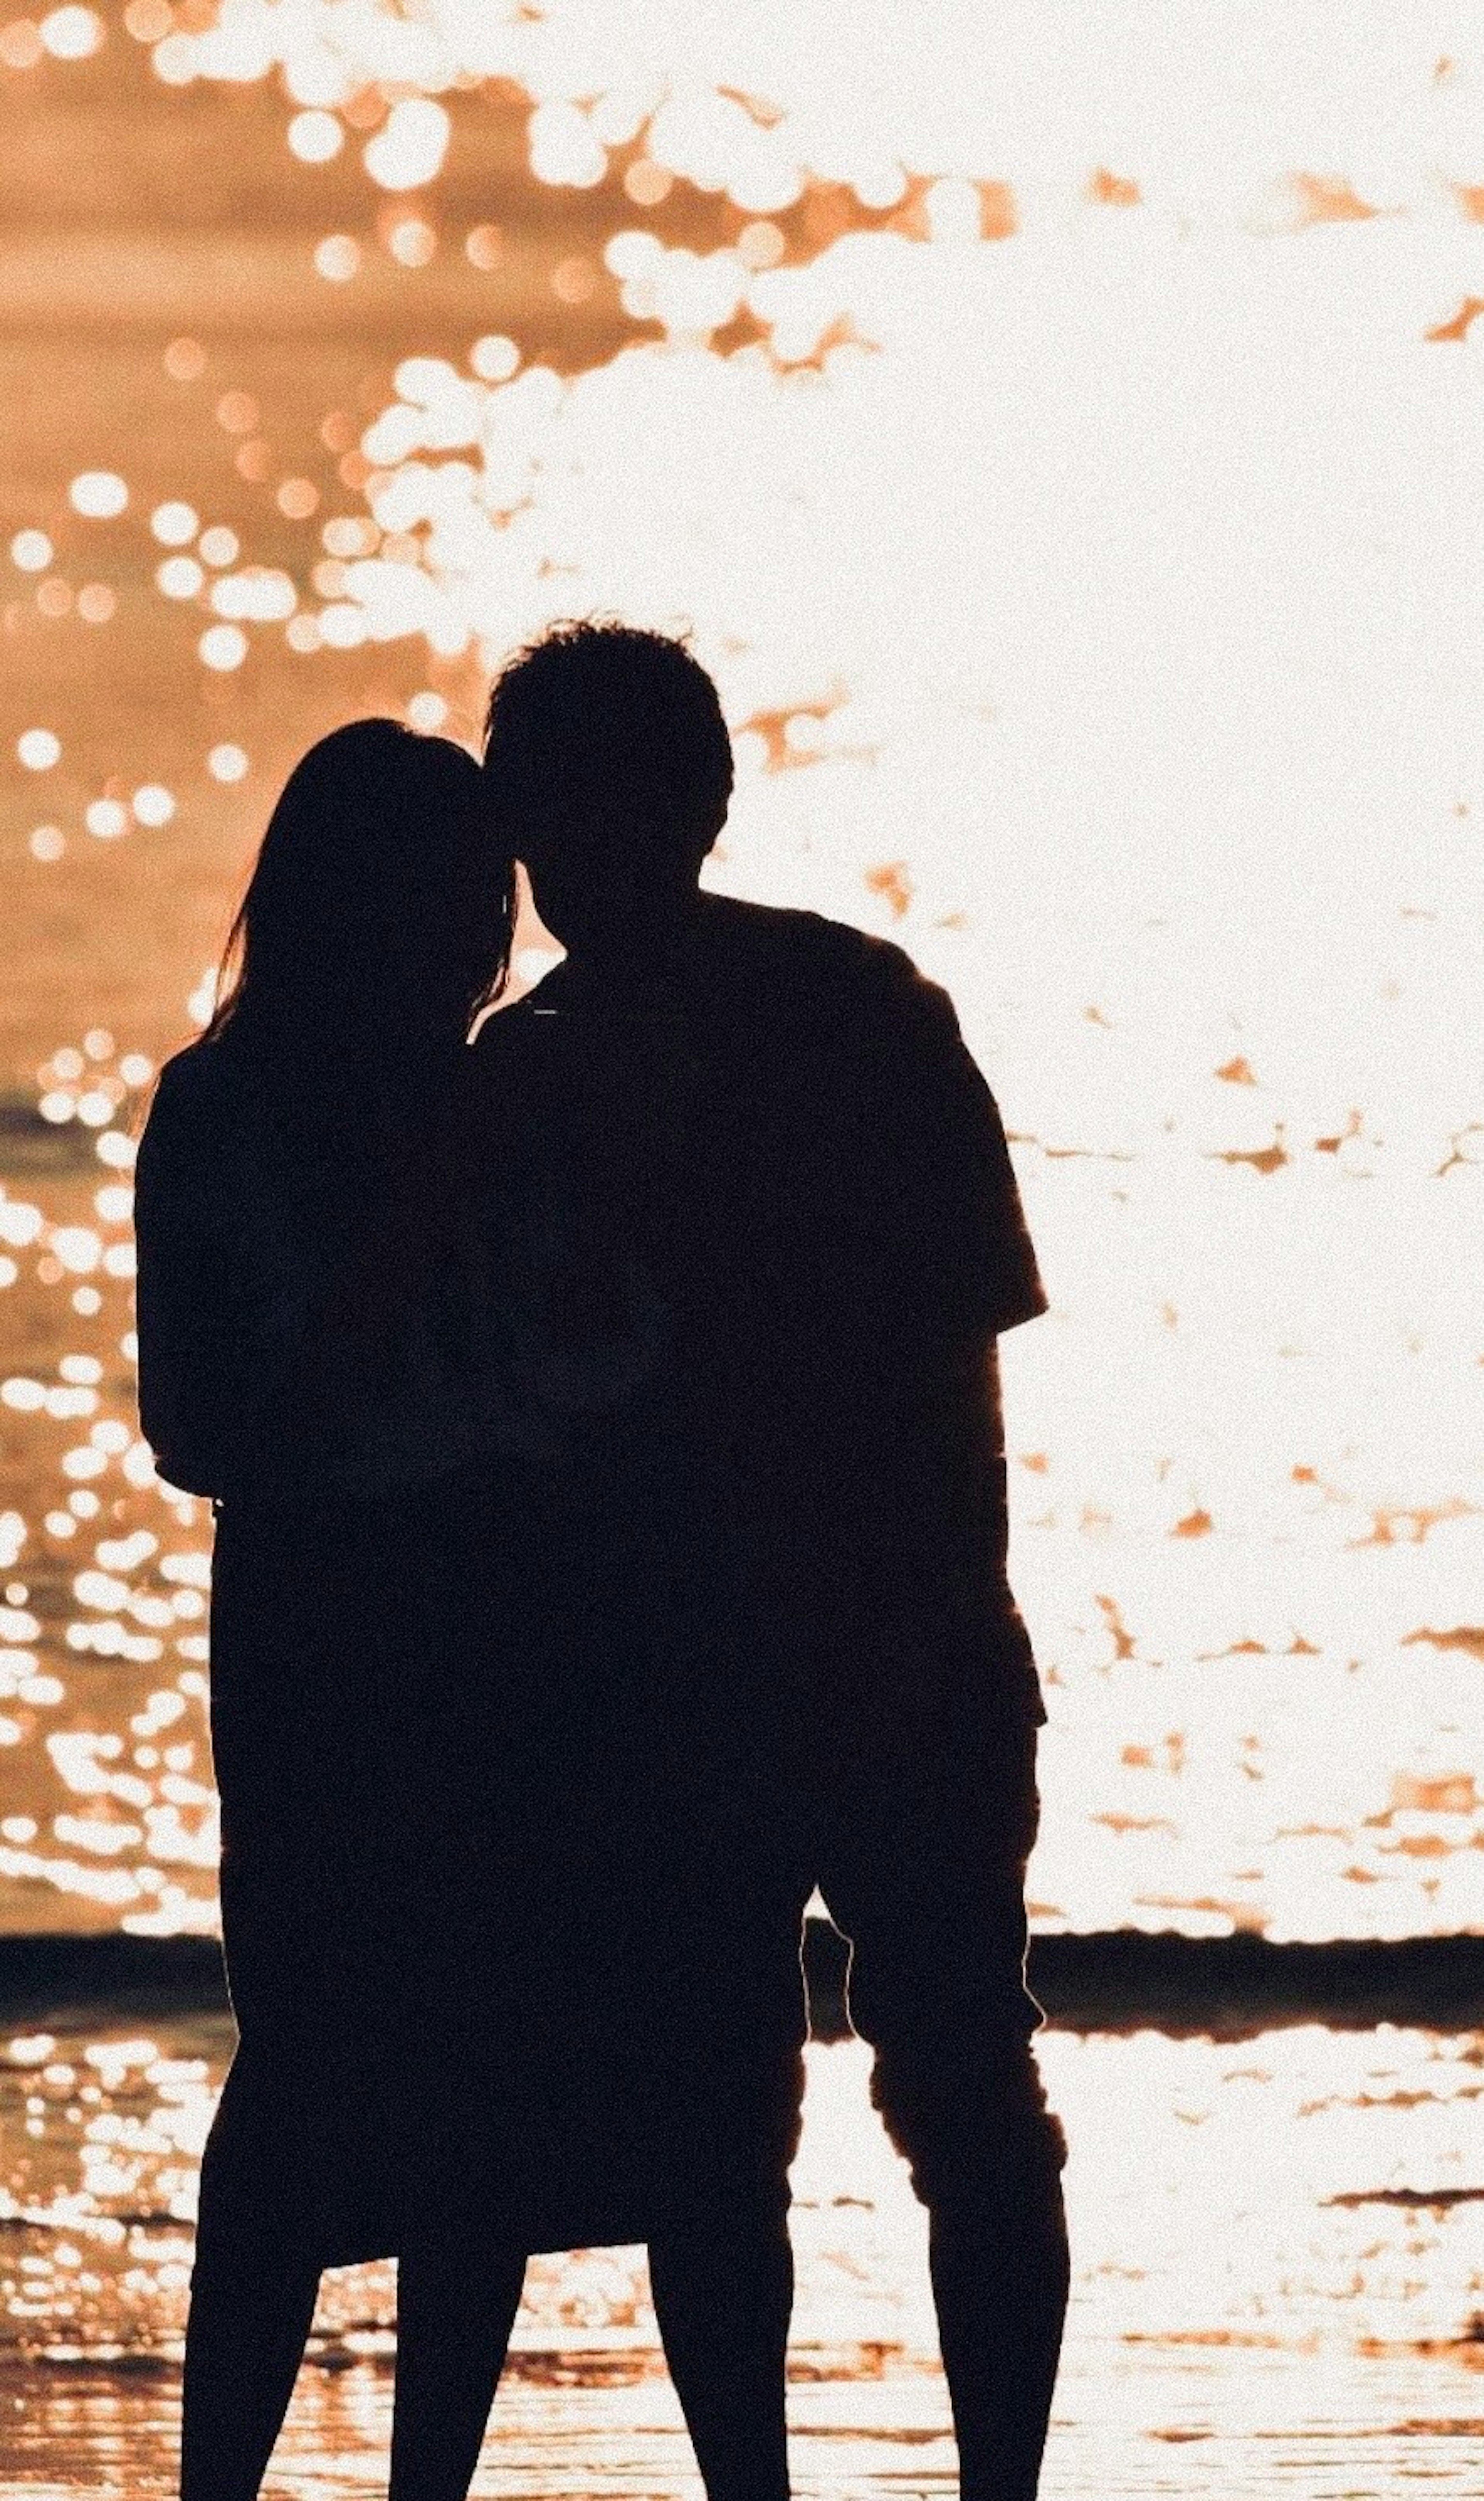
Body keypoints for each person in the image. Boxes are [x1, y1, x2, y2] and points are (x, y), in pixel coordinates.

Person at [135, 716, 809, 2501]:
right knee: (311, 2076)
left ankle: (417, 2478)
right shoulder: (234, 1111)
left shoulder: (497, 1096)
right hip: (340, 1622)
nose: (473, 939)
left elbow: (608, 1357)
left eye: (477, 900)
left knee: (474, 2084)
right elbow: (205, 1425)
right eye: (442, 901)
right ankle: (226, 2479)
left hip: (505, 1613)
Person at [477, 621, 1070, 2501]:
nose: (577, 847)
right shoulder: (827, 1009)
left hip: (794, 1651)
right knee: (880, 2108)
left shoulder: (603, 1055)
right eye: (549, 809)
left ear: (698, 806)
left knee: (830, 2112)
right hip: (767, 1655)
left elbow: (954, 1362)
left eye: (595, 803)